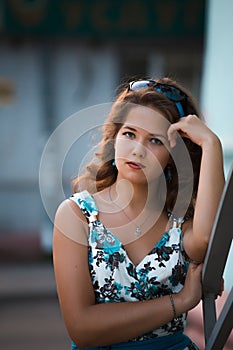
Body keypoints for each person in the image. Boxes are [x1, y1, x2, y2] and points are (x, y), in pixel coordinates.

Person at [53, 77, 225, 350]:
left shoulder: (179, 223)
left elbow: (206, 241)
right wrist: (179, 302)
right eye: (129, 134)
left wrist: (211, 143)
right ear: (114, 139)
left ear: (174, 155)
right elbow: (82, 327)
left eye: (155, 140)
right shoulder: (77, 215)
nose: (137, 150)